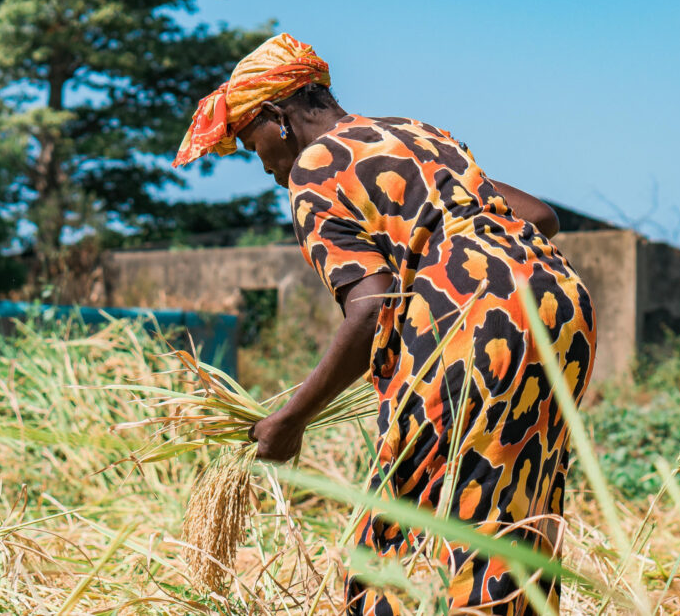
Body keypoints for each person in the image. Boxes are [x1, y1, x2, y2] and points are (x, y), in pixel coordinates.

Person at [172, 33, 596, 616]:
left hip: (472, 324)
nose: (266, 165)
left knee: (399, 531)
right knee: (511, 508)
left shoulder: (314, 170)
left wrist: (292, 418)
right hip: (559, 302)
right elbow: (539, 216)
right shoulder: (417, 133)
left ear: (278, 117)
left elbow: (371, 308)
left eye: (254, 142)